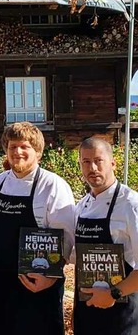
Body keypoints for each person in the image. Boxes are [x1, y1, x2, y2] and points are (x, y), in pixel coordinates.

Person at [0, 122, 75, 335]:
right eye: (13, 146)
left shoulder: (53, 186)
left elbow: (66, 240)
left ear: (38, 152)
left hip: (39, 282)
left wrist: (48, 278)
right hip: (0, 281)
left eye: (24, 147)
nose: (18, 152)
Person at [72, 137, 138, 335]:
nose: (92, 167)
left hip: (122, 312)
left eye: (98, 160)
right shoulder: (81, 206)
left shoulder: (131, 204)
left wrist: (113, 294)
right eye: (86, 161)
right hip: (87, 313)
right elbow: (78, 263)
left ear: (112, 163)